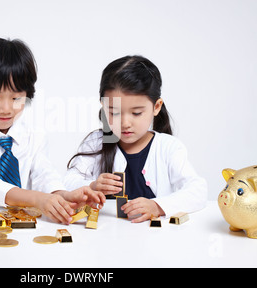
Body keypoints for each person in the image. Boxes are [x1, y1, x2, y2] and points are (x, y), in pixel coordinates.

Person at [0, 37, 105, 224]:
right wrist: (37, 199)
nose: (6, 108)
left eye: (16, 98)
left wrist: (63, 196)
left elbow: (44, 174)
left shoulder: (35, 135)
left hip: (23, 228)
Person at [65, 55, 207, 223]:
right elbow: (66, 183)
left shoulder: (168, 148)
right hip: (106, 238)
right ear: (103, 106)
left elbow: (198, 191)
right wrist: (91, 186)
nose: (125, 123)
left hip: (156, 239)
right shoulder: (96, 142)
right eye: (114, 112)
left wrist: (158, 206)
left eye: (136, 113)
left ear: (156, 107)